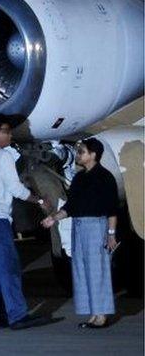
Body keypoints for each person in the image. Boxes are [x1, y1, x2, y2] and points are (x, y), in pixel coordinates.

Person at [0, 121, 51, 330]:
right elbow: (15, 188)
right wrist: (39, 200)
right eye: (5, 131)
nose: (10, 135)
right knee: (9, 267)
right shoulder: (2, 155)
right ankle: (17, 315)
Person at [41, 138, 120, 328]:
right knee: (82, 270)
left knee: (97, 270)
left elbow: (112, 209)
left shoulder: (105, 177)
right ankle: (93, 313)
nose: (78, 155)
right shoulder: (79, 178)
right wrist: (53, 218)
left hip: (96, 226)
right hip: (79, 225)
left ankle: (101, 314)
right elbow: (71, 206)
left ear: (93, 155)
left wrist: (111, 234)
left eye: (81, 152)